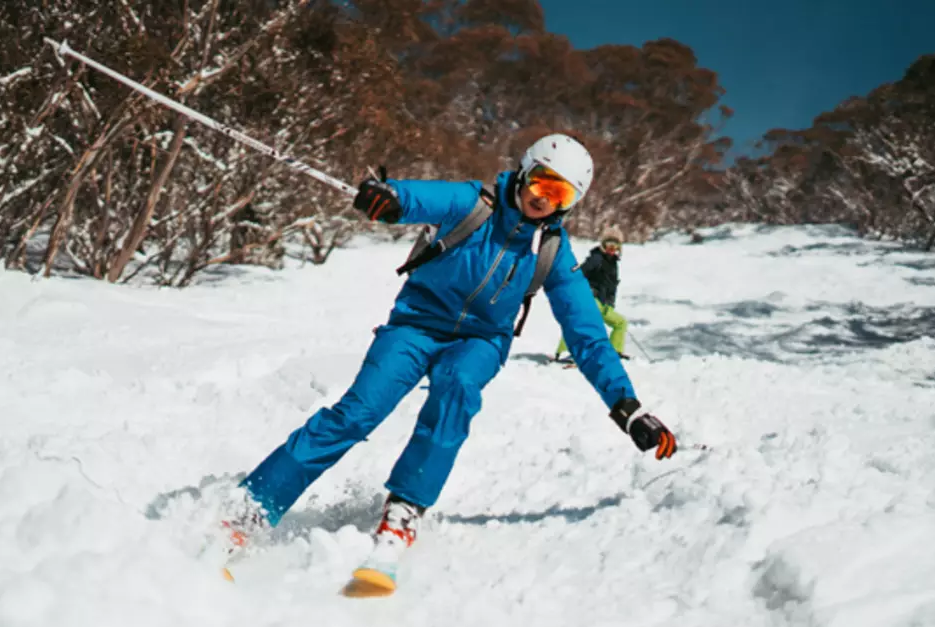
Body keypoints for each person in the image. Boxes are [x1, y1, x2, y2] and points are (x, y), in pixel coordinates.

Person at [222, 134, 676, 582]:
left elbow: (588, 335)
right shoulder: (474, 205)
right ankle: (252, 508)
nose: (544, 200)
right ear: (523, 172)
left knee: (457, 386)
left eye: (559, 194)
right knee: (357, 412)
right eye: (541, 183)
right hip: (415, 325)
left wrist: (627, 406)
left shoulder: (553, 253)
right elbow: (421, 198)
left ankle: (405, 507)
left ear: (570, 203)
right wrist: (390, 198)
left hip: (480, 341)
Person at [554, 227, 629, 363]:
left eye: (615, 245)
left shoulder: (613, 264)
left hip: (603, 304)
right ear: (603, 245)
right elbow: (578, 275)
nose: (612, 248)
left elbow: (612, 288)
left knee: (621, 322)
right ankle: (567, 352)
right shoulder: (596, 259)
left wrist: (610, 304)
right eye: (609, 244)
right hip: (589, 299)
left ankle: (614, 352)